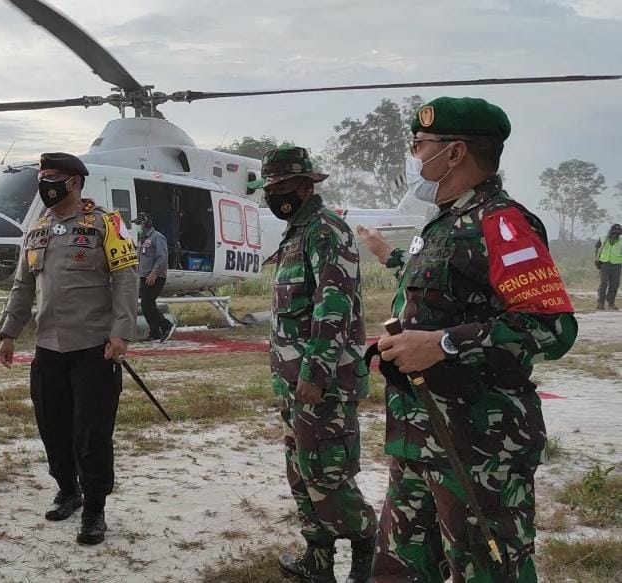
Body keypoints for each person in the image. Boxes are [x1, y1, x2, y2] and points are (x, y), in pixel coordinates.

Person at [357, 97, 577, 582]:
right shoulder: (444, 223)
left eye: (420, 145)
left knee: (486, 570)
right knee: (399, 570)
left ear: (454, 153)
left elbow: (552, 328)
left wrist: (444, 343)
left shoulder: (501, 223)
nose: (415, 156)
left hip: (478, 447)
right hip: (419, 435)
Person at [247, 146, 376, 583]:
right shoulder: (296, 232)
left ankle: (366, 553)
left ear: (306, 186)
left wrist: (315, 373)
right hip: (294, 385)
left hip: (323, 385)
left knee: (329, 476)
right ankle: (317, 564)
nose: (274, 195)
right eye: (270, 188)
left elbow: (333, 306)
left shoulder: (325, 230)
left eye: (282, 187)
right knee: (302, 476)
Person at [0, 152, 138, 546]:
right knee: (53, 428)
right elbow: (22, 286)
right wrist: (9, 332)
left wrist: (121, 332)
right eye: (42, 177)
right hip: (49, 350)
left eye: (52, 177)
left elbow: (126, 280)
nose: (45, 184)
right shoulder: (37, 229)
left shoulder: (107, 225)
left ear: (75, 182)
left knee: (92, 435)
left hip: (94, 349)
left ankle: (95, 508)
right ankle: (68, 489)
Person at [132, 212, 175, 341]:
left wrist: (154, 273)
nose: (137, 226)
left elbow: (162, 258)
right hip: (144, 276)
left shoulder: (157, 237)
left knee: (147, 304)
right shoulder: (142, 239)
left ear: (146, 223)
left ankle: (166, 325)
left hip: (155, 276)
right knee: (146, 305)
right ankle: (155, 332)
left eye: (139, 223)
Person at [594, 223, 622, 310]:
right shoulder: (603, 237)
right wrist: (596, 257)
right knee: (604, 284)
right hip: (604, 264)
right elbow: (596, 246)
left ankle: (611, 303)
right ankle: (600, 303)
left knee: (614, 285)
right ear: (610, 232)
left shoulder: (621, 240)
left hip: (617, 265)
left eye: (617, 234)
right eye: (613, 233)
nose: (615, 235)